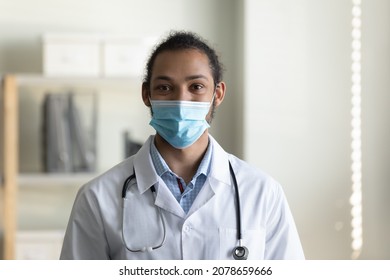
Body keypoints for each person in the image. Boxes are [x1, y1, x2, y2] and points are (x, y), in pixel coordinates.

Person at [60, 30, 305, 260]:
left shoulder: (262, 193)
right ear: (147, 94)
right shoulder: (97, 198)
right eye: (165, 88)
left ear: (217, 94)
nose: (180, 100)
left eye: (196, 87)